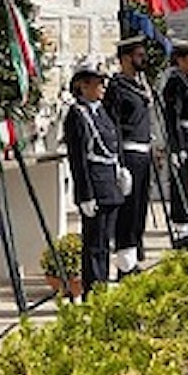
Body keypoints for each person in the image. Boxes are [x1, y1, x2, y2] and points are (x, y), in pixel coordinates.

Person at [64, 58, 126, 294]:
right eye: (97, 83)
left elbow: (113, 141)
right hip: (95, 188)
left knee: (105, 243)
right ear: (82, 85)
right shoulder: (77, 115)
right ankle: (94, 290)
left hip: (110, 185)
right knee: (94, 244)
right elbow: (78, 159)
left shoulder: (102, 112)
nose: (102, 87)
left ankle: (103, 283)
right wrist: (85, 194)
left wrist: (120, 169)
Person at [104, 36, 152, 277]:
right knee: (128, 211)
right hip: (129, 154)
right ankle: (124, 265)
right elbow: (113, 127)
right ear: (125, 58)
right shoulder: (117, 87)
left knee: (140, 209)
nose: (143, 59)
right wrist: (119, 163)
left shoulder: (140, 85)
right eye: (139, 56)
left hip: (143, 153)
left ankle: (133, 258)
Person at [161, 38, 188, 249]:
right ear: (179, 59)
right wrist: (176, 147)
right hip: (184, 140)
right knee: (182, 187)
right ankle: (181, 230)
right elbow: (172, 118)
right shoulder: (175, 83)